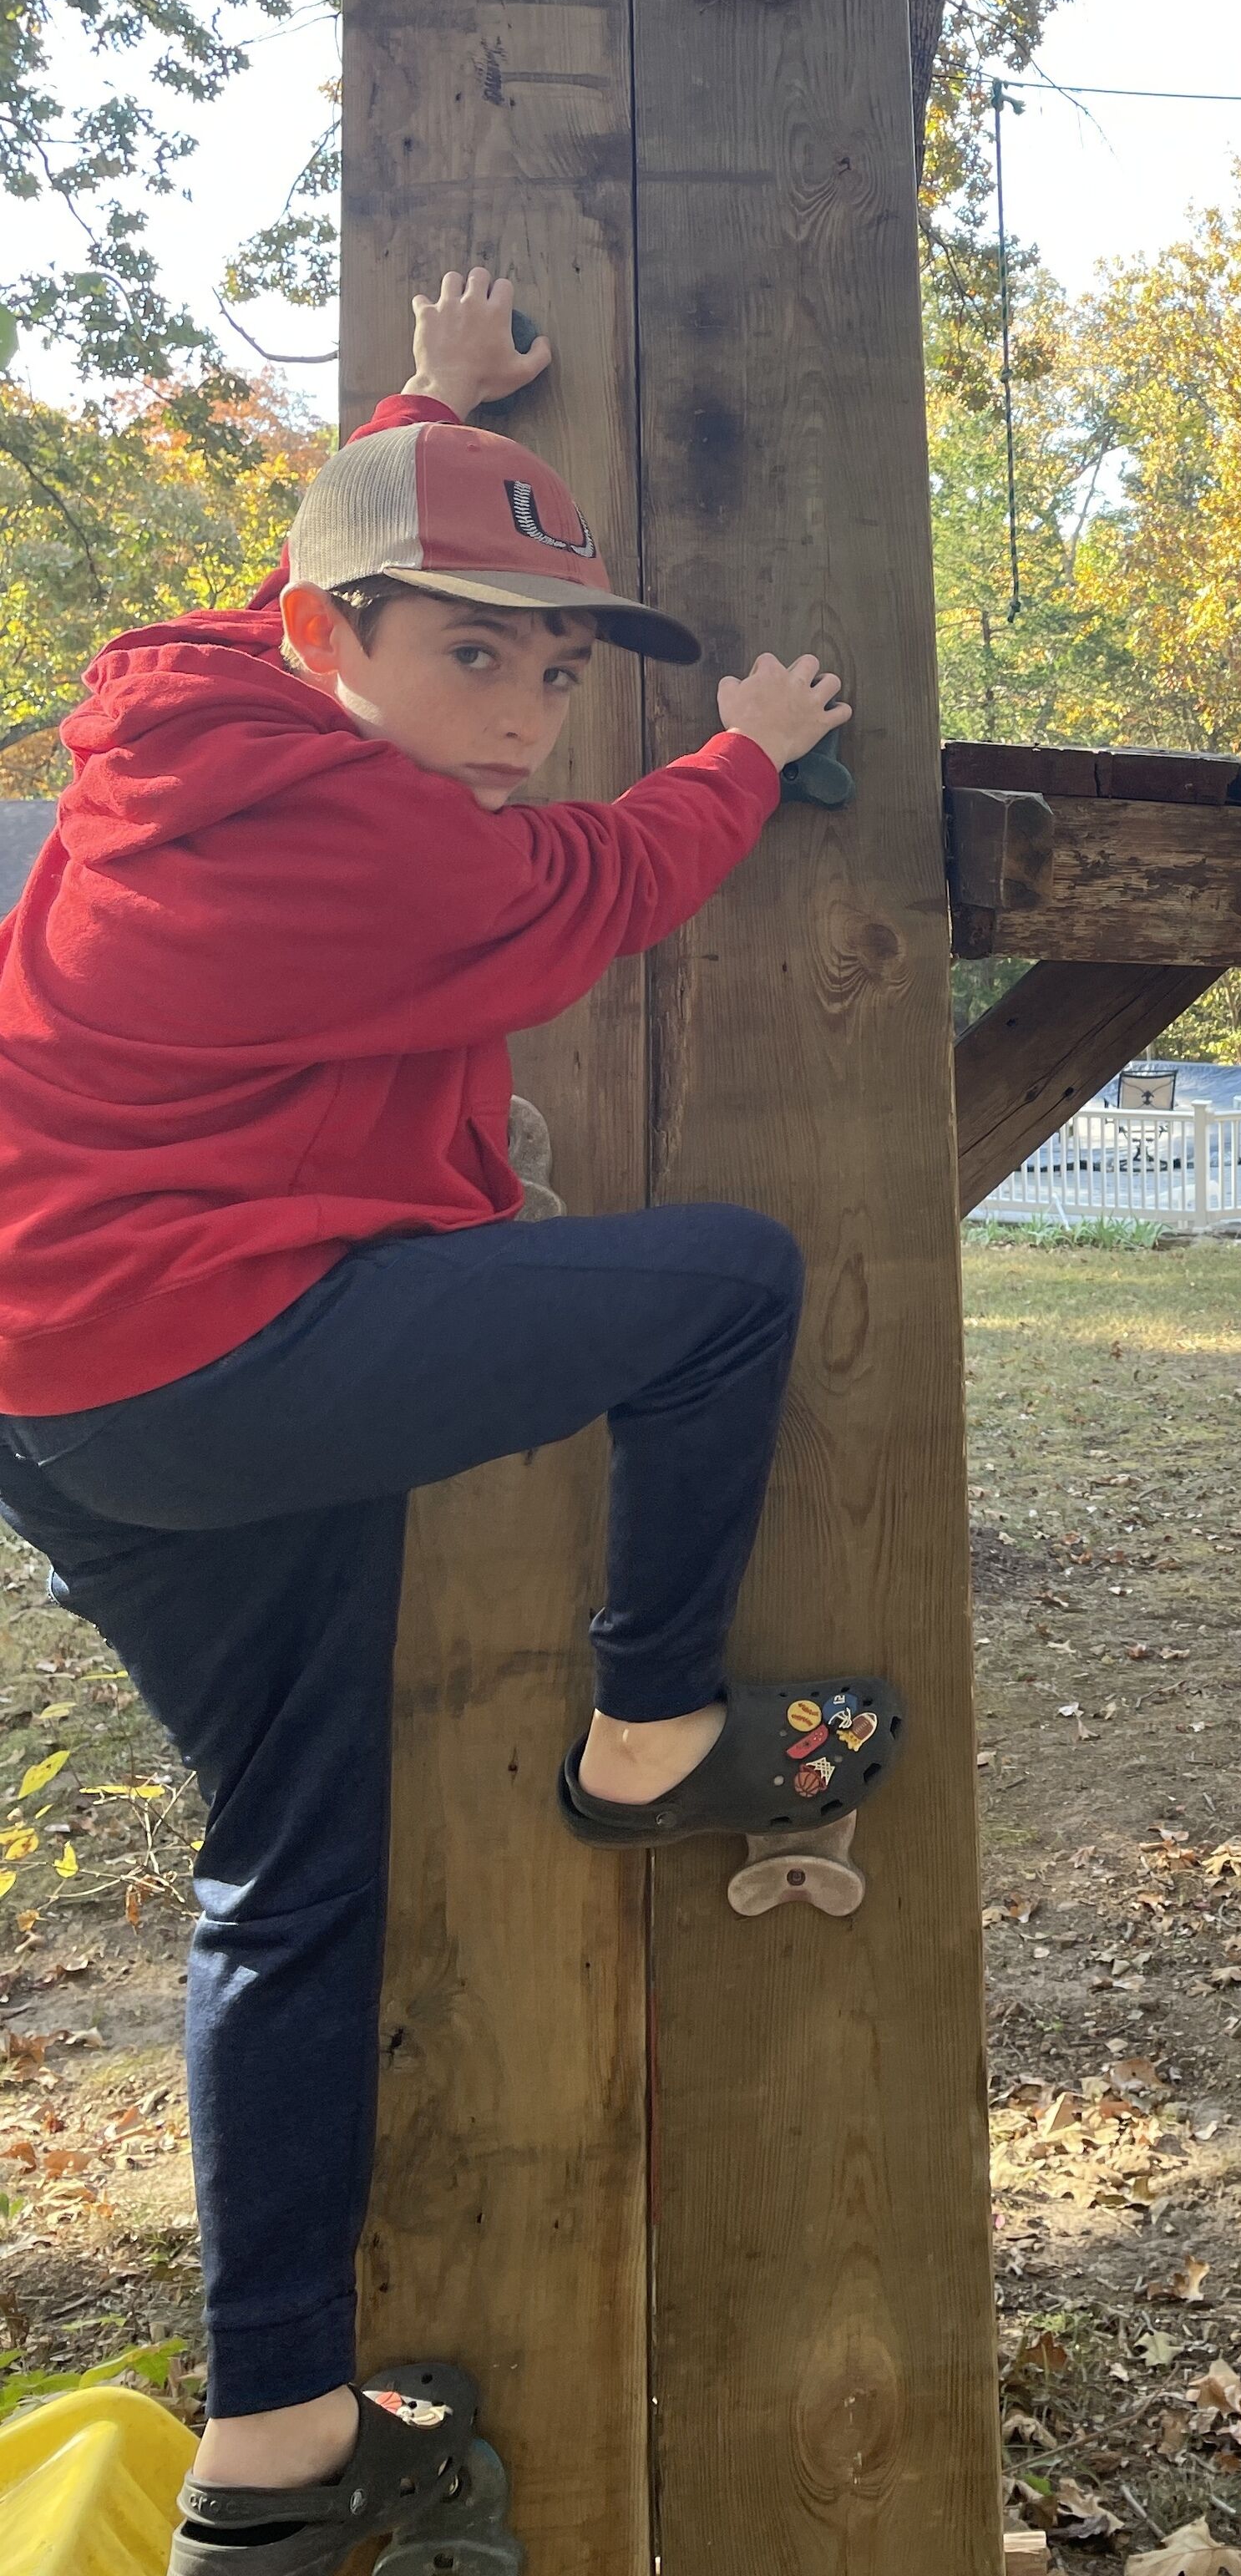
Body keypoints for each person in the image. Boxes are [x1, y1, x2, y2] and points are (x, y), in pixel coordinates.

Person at [0, 271, 902, 2573]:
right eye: (468, 657)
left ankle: (278, 2450)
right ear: (340, 635)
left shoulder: (183, 702)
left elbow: (316, 555)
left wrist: (425, 416)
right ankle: (646, 1739)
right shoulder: (375, 837)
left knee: (288, 1880)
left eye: (553, 665)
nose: (516, 713)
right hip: (212, 1351)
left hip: (61, 1369)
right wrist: (751, 746)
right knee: (723, 1289)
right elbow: (590, 889)